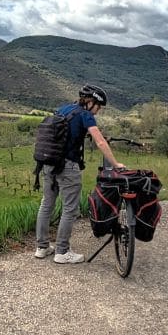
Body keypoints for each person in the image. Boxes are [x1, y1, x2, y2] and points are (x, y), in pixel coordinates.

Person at [34, 84, 125, 264]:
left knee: (47, 205)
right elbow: (99, 141)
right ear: (90, 102)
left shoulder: (63, 109)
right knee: (70, 209)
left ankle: (42, 247)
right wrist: (116, 164)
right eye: (98, 107)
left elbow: (67, 133)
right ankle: (62, 251)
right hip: (68, 167)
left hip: (48, 163)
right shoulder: (86, 115)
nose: (98, 111)